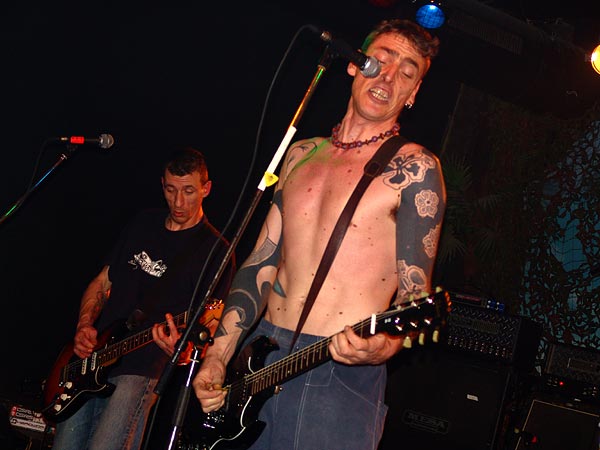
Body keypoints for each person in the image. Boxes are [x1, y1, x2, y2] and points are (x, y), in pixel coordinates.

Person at [192, 18, 445, 450]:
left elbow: (415, 291)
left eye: (407, 73)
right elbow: (261, 263)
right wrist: (219, 353)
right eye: (381, 60)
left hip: (337, 372)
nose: (388, 77)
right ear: (354, 64)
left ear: (414, 93)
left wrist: (385, 345)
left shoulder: (416, 168)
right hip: (259, 356)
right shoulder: (300, 154)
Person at [50, 146, 235, 450]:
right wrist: (84, 325)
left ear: (206, 188)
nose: (178, 201)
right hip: (92, 360)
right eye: (171, 190)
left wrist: (184, 348)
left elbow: (212, 325)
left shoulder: (216, 251)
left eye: (188, 191)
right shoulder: (143, 223)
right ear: (162, 184)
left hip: (142, 369)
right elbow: (102, 282)